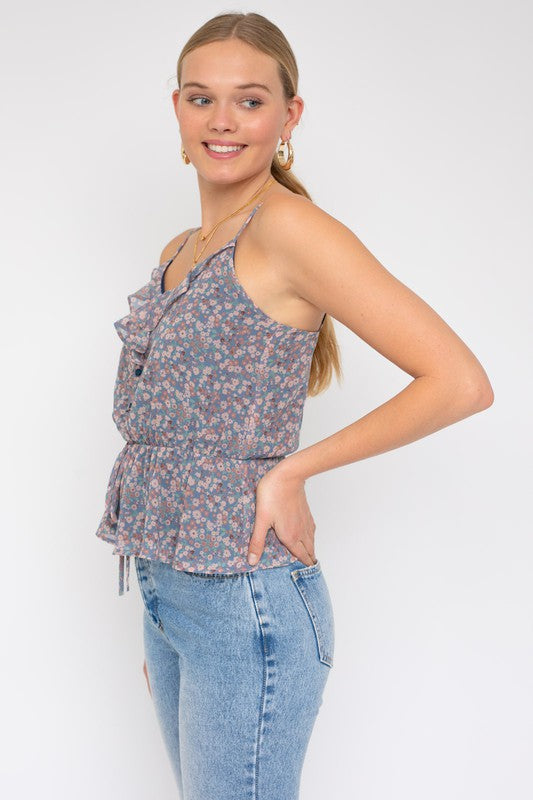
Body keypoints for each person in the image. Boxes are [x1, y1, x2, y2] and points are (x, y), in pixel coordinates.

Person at [95, 11, 494, 800]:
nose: (222, 121)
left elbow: (458, 381)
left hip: (244, 604)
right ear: (175, 108)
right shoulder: (181, 249)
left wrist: (290, 473)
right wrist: (166, 621)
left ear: (288, 116)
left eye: (248, 100)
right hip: (171, 593)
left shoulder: (293, 232)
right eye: (200, 98)